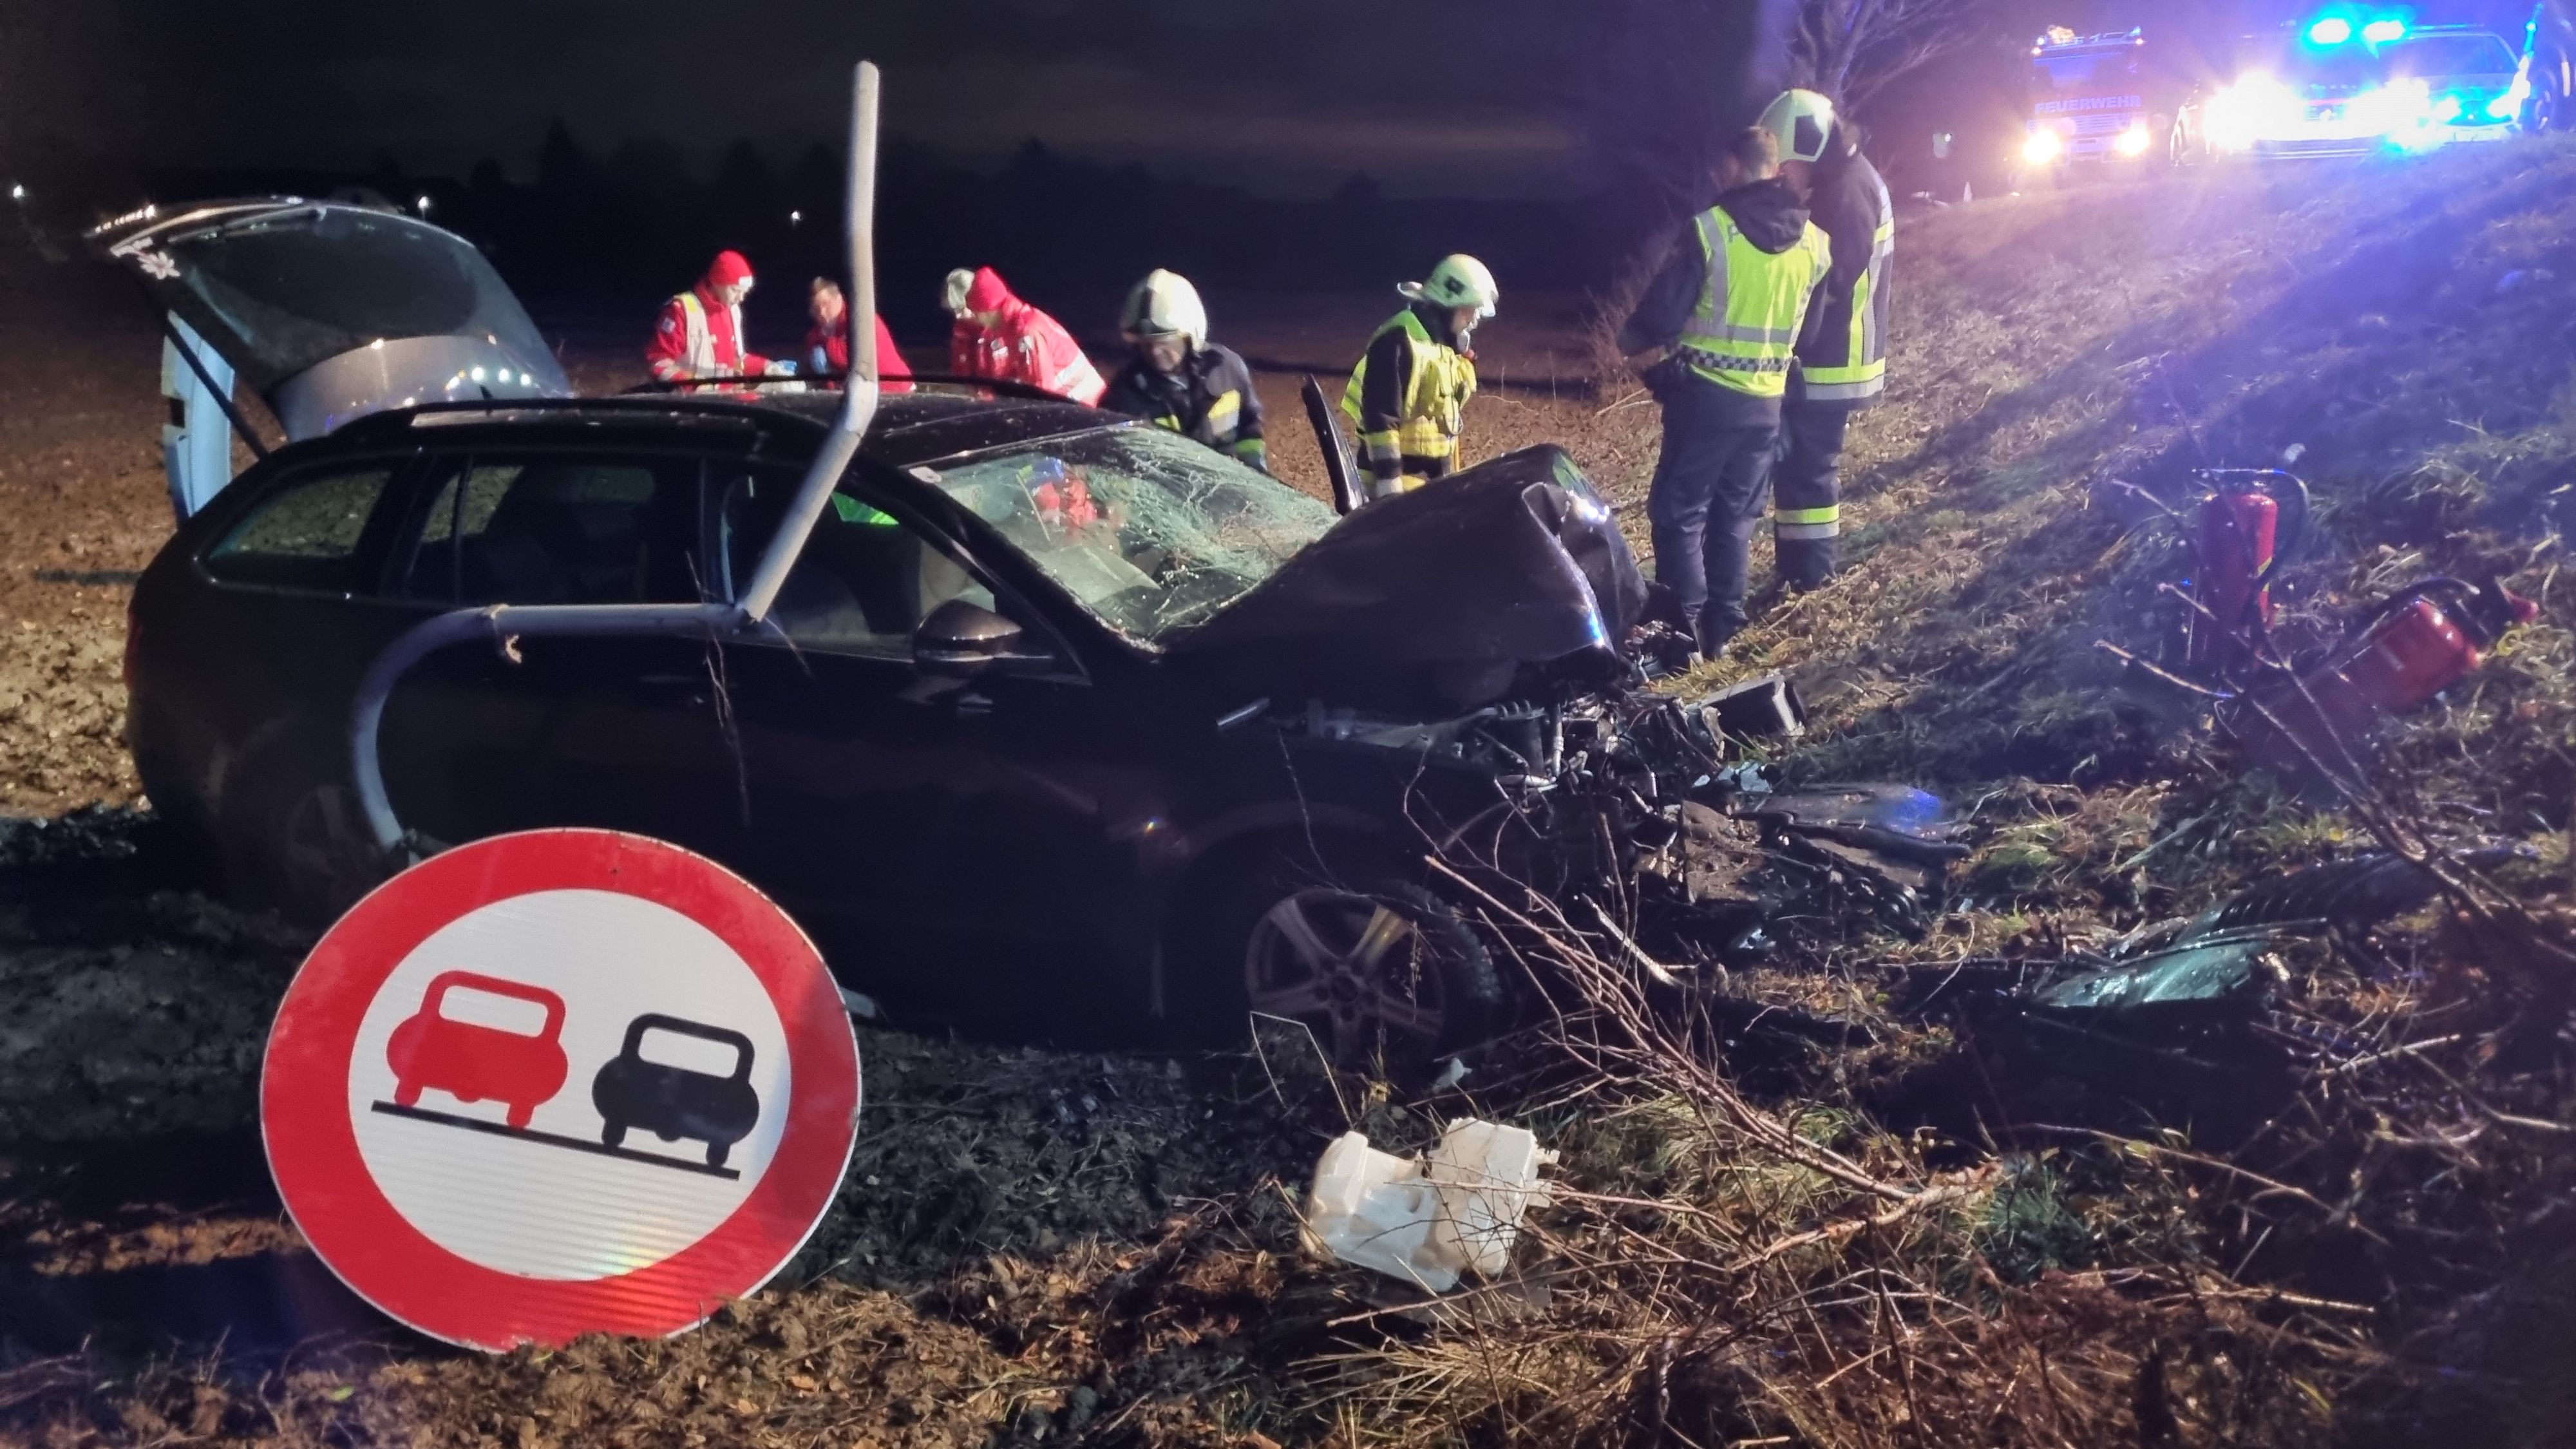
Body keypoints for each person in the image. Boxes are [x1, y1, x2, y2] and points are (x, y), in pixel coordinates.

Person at [1618, 122, 1832, 658]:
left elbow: (1659, 317)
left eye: (1723, 167)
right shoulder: (1815, 243)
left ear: (1736, 166)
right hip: (1768, 404)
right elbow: (1810, 334)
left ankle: (1682, 638)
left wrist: (1637, 344)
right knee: (1736, 518)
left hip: (1705, 400)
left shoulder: (1710, 230)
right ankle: (1724, 633)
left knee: (1679, 515)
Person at [1766, 90, 1892, 591]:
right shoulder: (1845, 179)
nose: (1783, 174)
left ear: (1811, 148)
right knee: (1800, 471)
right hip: (1831, 354)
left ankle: (1811, 579)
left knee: (1810, 474)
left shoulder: (1846, 192)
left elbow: (1833, 280)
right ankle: (1798, 573)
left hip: (1833, 358)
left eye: (1787, 164)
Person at [1340, 254, 1495, 501]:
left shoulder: (1441, 346)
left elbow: (1442, 426)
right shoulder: (1400, 340)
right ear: (1446, 306)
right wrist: (1389, 492)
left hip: (1424, 486)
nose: (1473, 321)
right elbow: (1381, 420)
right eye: (1468, 312)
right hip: (1393, 486)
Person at [1099, 269, 1268, 471]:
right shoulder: (1123, 396)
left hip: (1230, 489)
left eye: (1165, 342)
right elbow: (1113, 462)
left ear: (1190, 335)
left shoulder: (1227, 370)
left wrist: (1255, 470)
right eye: (1146, 344)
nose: (1155, 351)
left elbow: (1250, 428)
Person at [943, 265, 1105, 404]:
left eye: (976, 313)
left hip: (1085, 408)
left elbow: (1041, 392)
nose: (976, 319)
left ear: (989, 310)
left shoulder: (1026, 331)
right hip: (1075, 406)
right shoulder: (1015, 325)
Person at [646, 250, 778, 383]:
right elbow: (659, 362)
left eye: (745, 292)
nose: (741, 298)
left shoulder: (733, 311)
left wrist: (767, 367)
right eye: (735, 291)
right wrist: (691, 385)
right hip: (690, 401)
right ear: (717, 282)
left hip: (724, 398)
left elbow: (735, 360)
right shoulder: (681, 310)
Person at [806, 278, 914, 393]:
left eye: (826, 304)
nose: (822, 312)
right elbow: (814, 362)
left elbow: (847, 358)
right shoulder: (818, 333)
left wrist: (826, 338)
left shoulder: (859, 319)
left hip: (895, 388)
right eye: (816, 308)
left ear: (839, 299)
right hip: (859, 393)